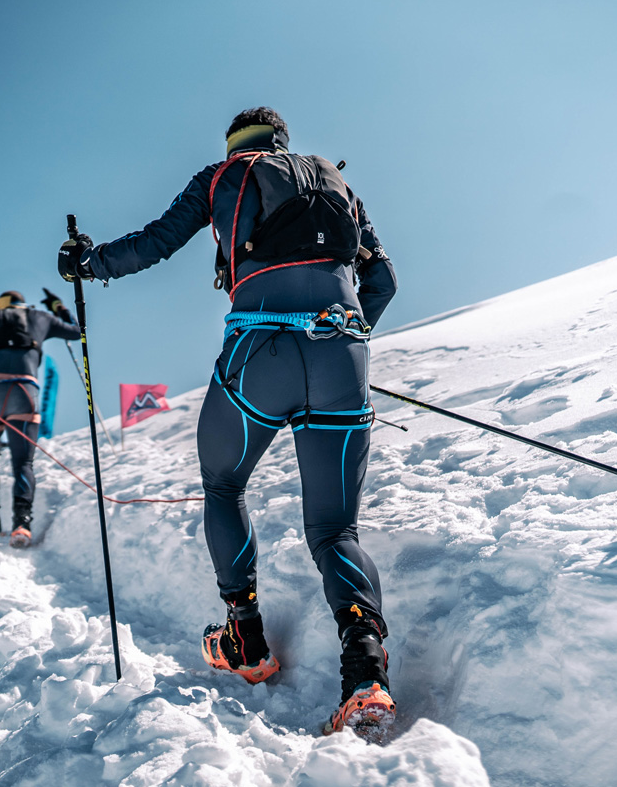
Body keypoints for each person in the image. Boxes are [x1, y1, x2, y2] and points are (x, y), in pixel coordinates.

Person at [56, 107, 399, 737]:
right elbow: (382, 280)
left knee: (224, 482)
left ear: (235, 142)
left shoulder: (221, 178)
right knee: (333, 529)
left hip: (259, 352)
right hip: (341, 353)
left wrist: (87, 263)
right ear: (282, 141)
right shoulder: (335, 184)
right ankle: (366, 676)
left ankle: (245, 638)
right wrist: (341, 346)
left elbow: (153, 244)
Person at [0, 289, 81, 547]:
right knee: (23, 462)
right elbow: (77, 332)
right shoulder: (41, 317)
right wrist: (58, 307)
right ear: (24, 305)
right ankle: (22, 524)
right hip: (25, 392)